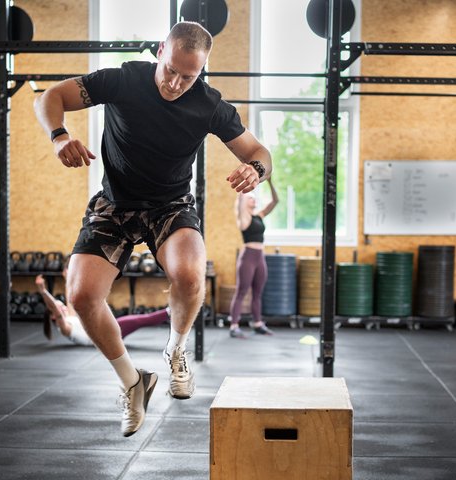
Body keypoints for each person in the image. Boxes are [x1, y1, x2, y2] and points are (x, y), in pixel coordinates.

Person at [33, 21, 272, 437]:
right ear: (160, 51)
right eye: (171, 70)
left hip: (170, 206)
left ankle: (175, 351)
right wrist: (58, 136)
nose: (176, 82)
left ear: (202, 71)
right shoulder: (124, 79)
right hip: (115, 204)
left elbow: (259, 151)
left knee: (190, 275)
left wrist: (256, 170)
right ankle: (132, 381)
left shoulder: (209, 105)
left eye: (189, 76)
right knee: (81, 295)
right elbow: (52, 97)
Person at [35, 274, 170, 347]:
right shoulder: (65, 328)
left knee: (140, 320)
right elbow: (56, 311)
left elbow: (70, 300)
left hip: (105, 331)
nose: (63, 307)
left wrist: (68, 279)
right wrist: (43, 291)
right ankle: (170, 312)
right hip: (104, 337)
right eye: (59, 307)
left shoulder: (70, 318)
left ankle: (170, 312)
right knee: (141, 320)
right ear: (54, 317)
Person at [229, 178, 278, 338]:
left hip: (259, 257)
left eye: (254, 197)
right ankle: (234, 325)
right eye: (251, 197)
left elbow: (275, 201)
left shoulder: (259, 216)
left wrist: (270, 182)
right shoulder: (244, 219)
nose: (254, 199)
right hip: (248, 257)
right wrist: (246, 184)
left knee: (258, 292)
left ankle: (258, 324)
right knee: (242, 291)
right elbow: (241, 200)